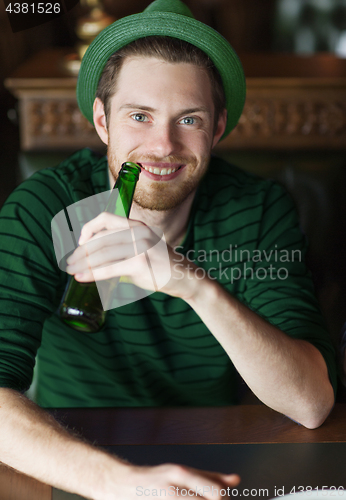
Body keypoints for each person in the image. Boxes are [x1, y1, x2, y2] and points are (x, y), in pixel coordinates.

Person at [0, 0, 337, 498]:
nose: (163, 146)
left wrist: (189, 283)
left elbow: (310, 403)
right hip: (69, 457)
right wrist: (121, 484)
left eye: (189, 120)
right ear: (102, 121)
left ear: (217, 128)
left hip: (213, 452)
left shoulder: (259, 209)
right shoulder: (45, 208)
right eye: (139, 116)